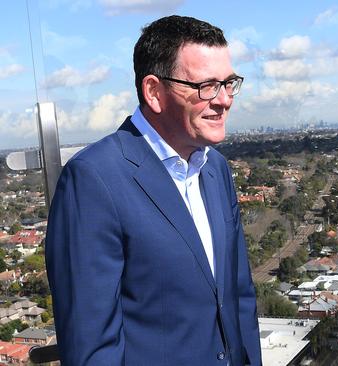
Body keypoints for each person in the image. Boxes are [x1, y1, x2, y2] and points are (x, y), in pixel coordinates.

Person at [45, 15, 261, 365]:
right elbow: (92, 344)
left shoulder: (215, 168)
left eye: (229, 83)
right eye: (207, 86)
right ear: (154, 92)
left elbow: (239, 296)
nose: (225, 101)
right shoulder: (93, 180)